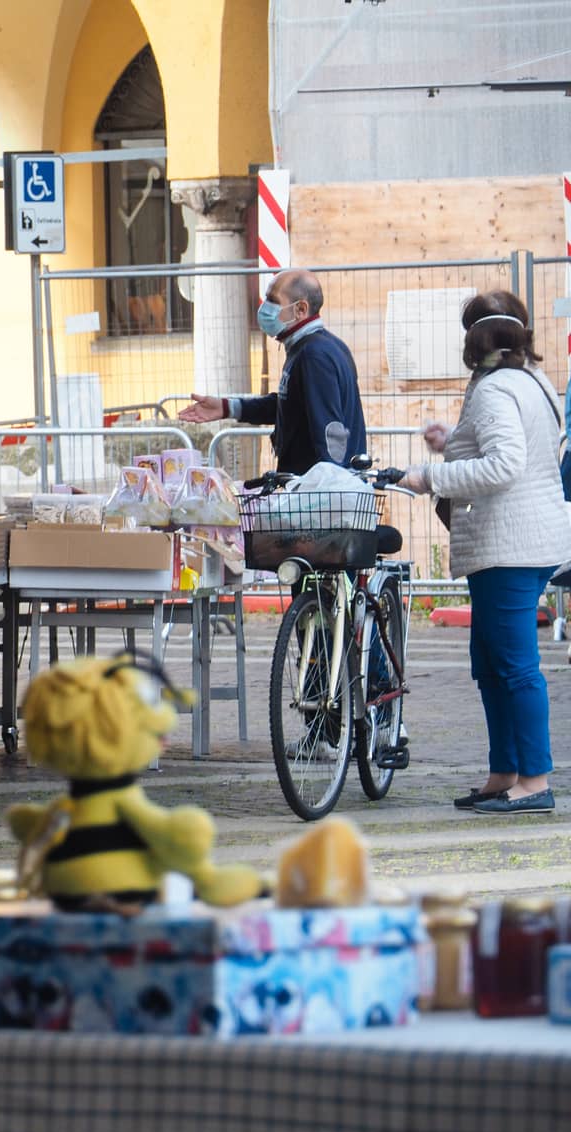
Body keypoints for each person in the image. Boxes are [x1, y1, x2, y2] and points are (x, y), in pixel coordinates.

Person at [398, 291, 571, 815]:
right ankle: (504, 773)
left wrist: (427, 477)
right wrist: (453, 440)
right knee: (492, 663)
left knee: (514, 667)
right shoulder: (532, 382)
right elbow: (518, 448)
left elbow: (505, 465)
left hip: (509, 542)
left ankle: (534, 780)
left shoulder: (496, 389)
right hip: (523, 536)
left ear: (474, 339)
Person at [178, 268, 367, 475]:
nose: (264, 307)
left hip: (318, 492)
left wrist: (331, 486)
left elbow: (329, 431)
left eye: (273, 300)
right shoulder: (316, 347)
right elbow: (289, 406)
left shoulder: (314, 356)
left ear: (301, 309)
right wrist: (227, 408)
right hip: (313, 486)